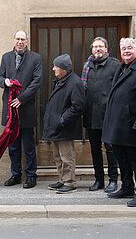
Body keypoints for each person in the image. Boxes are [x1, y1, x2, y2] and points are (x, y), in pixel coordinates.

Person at [102, 38, 136, 207]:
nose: (126, 51)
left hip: (132, 125)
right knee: (121, 158)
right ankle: (127, 187)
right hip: (116, 125)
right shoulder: (121, 67)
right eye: (123, 48)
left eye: (130, 48)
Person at [0, 30, 43, 189]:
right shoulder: (6, 57)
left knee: (29, 146)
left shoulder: (35, 58)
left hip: (26, 108)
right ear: (14, 40)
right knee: (13, 146)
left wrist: (21, 99)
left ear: (27, 41)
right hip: (10, 110)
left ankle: (31, 176)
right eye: (17, 39)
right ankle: (16, 174)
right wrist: (5, 81)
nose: (20, 42)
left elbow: (36, 82)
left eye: (23, 39)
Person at [42, 54, 85, 194]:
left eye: (56, 66)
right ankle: (62, 179)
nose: (53, 69)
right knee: (58, 156)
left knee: (67, 157)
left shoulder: (75, 82)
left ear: (64, 69)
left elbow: (77, 107)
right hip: (57, 126)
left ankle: (70, 182)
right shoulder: (60, 80)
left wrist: (62, 119)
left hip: (66, 127)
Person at [82, 37, 120, 193]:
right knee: (95, 149)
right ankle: (99, 180)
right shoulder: (88, 65)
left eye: (100, 46)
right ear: (92, 49)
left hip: (108, 114)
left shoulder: (115, 65)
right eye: (95, 46)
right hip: (91, 114)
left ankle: (113, 180)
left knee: (111, 148)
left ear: (106, 48)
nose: (97, 49)